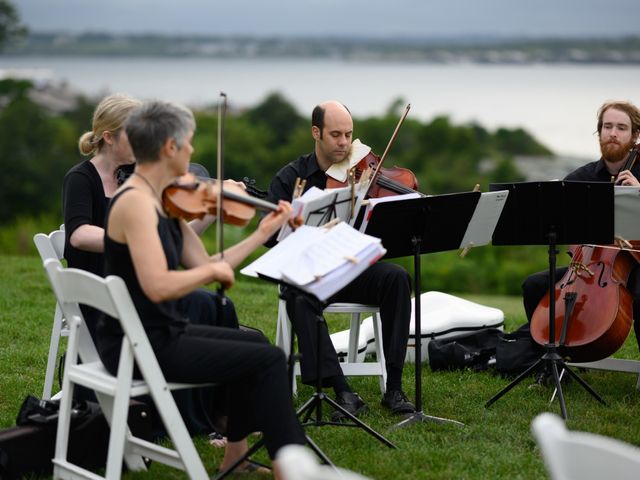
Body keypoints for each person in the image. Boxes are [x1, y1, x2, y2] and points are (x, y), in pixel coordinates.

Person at [96, 100, 306, 475]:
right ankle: (289, 468)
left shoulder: (162, 202)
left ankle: (235, 459)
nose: (193, 153)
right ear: (169, 148)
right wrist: (211, 276)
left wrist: (262, 232)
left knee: (257, 346)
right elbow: (159, 284)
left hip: (159, 332)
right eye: (188, 143)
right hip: (140, 345)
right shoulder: (135, 205)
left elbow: (209, 264)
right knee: (271, 359)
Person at [62, 93, 237, 438]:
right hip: (106, 294)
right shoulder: (83, 178)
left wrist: (207, 213)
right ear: (109, 137)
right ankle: (195, 417)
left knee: (218, 306)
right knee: (200, 308)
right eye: (134, 132)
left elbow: (177, 240)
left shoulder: (144, 181)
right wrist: (135, 237)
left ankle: (220, 417)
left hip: (143, 286)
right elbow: (79, 235)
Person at [265, 100, 416, 420]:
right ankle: (342, 390)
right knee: (297, 294)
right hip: (310, 274)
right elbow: (269, 238)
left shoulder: (362, 172)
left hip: (352, 269)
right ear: (316, 133)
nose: (345, 143)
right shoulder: (290, 179)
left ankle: (395, 387)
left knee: (397, 278)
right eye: (336, 135)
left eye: (349, 134)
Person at [522, 100, 640, 351]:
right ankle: (550, 362)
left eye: (621, 127)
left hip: (635, 264)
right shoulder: (581, 178)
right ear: (599, 132)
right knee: (534, 285)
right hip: (593, 266)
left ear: (634, 135)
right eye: (607, 126)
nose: (613, 133)